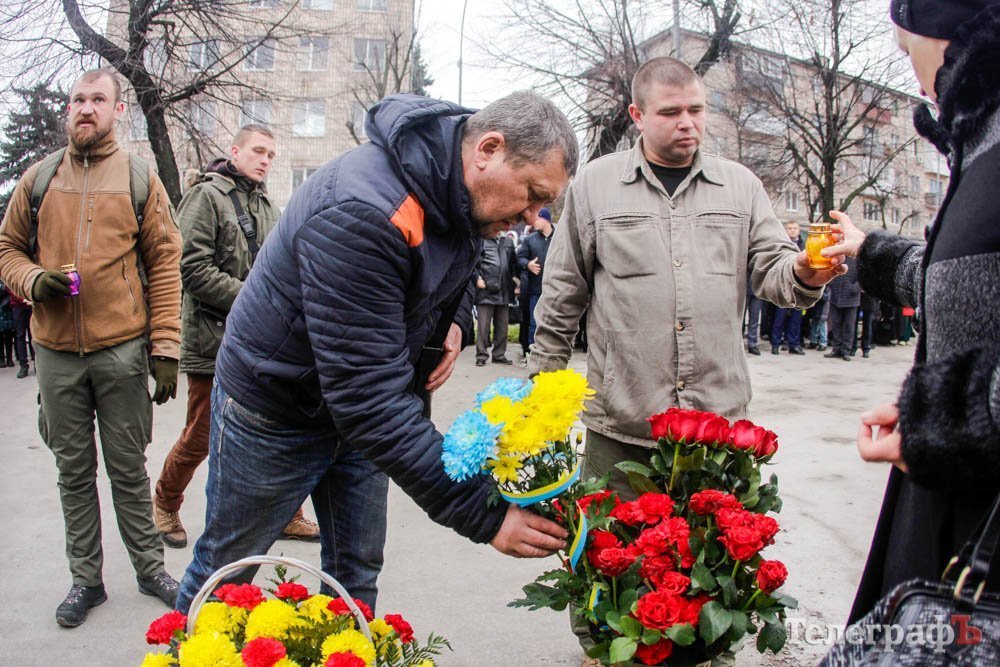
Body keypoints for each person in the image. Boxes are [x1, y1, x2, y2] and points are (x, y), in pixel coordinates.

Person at [175, 91, 576, 613]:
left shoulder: (458, 190)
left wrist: (454, 322)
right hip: (276, 409)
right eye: (532, 194)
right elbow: (368, 400)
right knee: (228, 572)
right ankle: (184, 645)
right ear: (488, 149)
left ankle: (348, 646)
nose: (532, 216)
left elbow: (460, 255)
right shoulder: (363, 211)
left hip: (359, 414)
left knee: (355, 569)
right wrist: (486, 514)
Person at [526, 57, 848, 665]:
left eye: (697, 110)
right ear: (637, 115)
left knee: (713, 573)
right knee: (609, 567)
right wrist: (541, 392)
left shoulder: (740, 187)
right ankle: (608, 655)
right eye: (671, 112)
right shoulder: (595, 186)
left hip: (715, 429)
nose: (688, 123)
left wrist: (808, 271)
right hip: (623, 421)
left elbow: (774, 271)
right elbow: (563, 289)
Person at [821, 0, 1000, 628]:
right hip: (954, 492)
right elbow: (967, 281)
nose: (914, 73)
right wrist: (870, 250)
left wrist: (961, 416)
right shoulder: (980, 138)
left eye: (907, 49)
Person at [0, 68, 182, 627]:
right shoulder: (39, 178)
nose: (85, 108)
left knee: (128, 469)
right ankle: (87, 580)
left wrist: (165, 346)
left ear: (118, 110)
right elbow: (7, 249)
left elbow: (165, 263)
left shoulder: (139, 177)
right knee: (73, 473)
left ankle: (150, 569)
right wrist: (33, 280)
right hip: (55, 353)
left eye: (98, 99)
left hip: (121, 350)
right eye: (78, 99)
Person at [152, 126, 320, 550]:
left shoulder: (265, 204)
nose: (265, 160)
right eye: (258, 151)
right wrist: (256, 299)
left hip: (263, 341)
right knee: (203, 433)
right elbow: (191, 268)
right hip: (213, 340)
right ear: (235, 151)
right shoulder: (205, 197)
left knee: (279, 427)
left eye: (271, 155)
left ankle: (288, 514)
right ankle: (165, 501)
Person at [474, 230, 518, 366]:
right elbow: (473, 263)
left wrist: (516, 280)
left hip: (504, 290)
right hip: (485, 289)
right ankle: (481, 355)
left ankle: (499, 354)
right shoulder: (482, 240)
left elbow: (513, 264)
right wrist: (477, 278)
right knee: (483, 326)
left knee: (502, 326)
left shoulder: (508, 241)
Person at [517, 206, 555, 354]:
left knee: (553, 323)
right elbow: (519, 258)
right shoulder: (529, 240)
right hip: (535, 289)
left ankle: (551, 353)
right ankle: (532, 354)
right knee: (534, 323)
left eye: (538, 219)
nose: (534, 222)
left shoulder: (560, 238)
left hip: (555, 289)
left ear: (547, 220)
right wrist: (528, 264)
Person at [770, 220, 807, 355]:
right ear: (786, 231)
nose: (792, 230)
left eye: (795, 228)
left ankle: (794, 344)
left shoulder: (804, 246)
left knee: (796, 319)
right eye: (789, 228)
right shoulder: (781, 245)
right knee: (779, 317)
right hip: (783, 287)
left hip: (799, 288)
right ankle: (775, 344)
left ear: (798, 230)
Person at [823, 256, 861, 361]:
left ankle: (846, 350)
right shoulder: (838, 258)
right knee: (836, 324)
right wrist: (831, 284)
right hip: (836, 297)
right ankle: (836, 349)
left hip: (851, 299)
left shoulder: (857, 259)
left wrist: (855, 288)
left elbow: (863, 277)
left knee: (849, 326)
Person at [8, 285, 33, 377]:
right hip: (17, 306)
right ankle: (23, 365)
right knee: (20, 335)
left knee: (33, 335)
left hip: (31, 305)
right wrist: (23, 300)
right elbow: (9, 286)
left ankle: (37, 364)